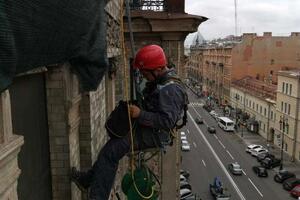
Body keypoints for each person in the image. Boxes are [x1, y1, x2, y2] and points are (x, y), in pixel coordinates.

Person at [70, 44, 188, 200]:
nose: (144, 76)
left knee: (110, 153)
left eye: (145, 73)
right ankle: (87, 181)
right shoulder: (162, 80)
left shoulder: (170, 90)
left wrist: (140, 114)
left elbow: (167, 121)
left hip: (155, 134)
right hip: (148, 128)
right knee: (110, 149)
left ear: (157, 69)